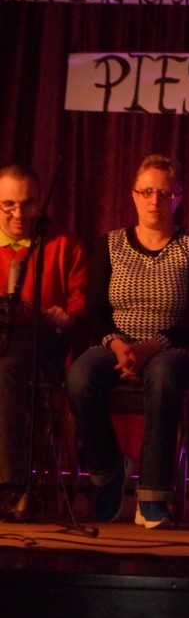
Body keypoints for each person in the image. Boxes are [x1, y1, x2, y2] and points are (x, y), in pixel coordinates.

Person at [66, 155, 189, 529]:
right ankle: (108, 470)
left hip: (176, 349)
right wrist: (118, 346)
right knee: (79, 377)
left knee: (162, 375)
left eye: (164, 193)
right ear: (133, 195)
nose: (154, 200)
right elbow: (96, 310)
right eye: (146, 192)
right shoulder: (111, 243)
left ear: (178, 198)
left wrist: (152, 347)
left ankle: (152, 497)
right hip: (117, 344)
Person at [0, 163, 88, 518]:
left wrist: (66, 315)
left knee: (6, 369)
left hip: (42, 341)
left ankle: (10, 489)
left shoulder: (63, 244)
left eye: (27, 204)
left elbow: (81, 304)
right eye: (8, 205)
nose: (18, 213)